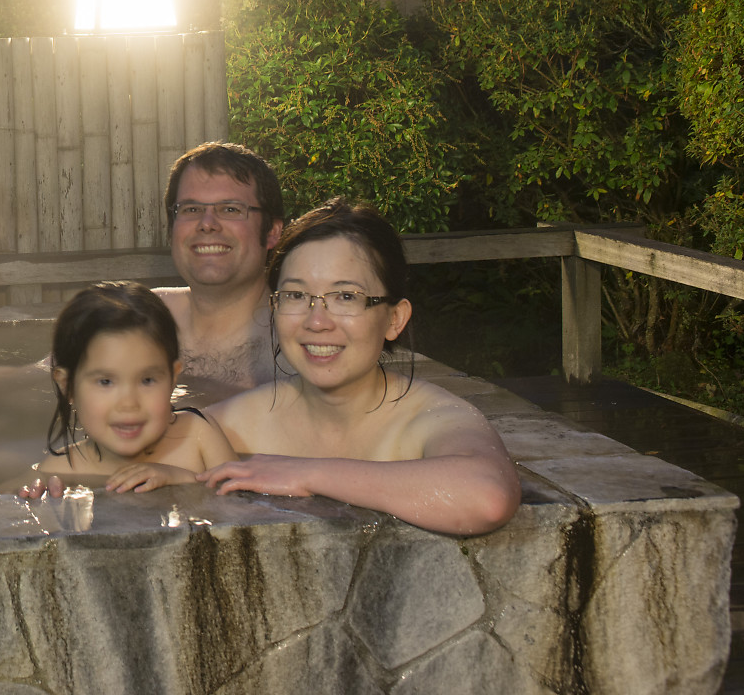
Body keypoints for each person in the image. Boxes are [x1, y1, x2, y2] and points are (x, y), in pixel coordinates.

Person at [198, 199, 522, 537]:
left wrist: (306, 473)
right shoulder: (233, 422)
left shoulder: (434, 418)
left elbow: (487, 498)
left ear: (395, 319)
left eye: (346, 297)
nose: (317, 321)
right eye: (295, 295)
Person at [0, 281, 234, 501]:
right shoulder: (60, 469)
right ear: (67, 387)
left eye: (147, 380)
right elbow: (3, 502)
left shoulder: (199, 435)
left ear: (172, 379)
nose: (128, 403)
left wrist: (180, 478)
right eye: (105, 382)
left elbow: (244, 505)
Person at [154, 142, 288, 399]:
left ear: (272, 232)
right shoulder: (139, 318)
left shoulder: (300, 342)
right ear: (171, 229)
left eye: (230, 209)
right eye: (191, 209)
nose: (207, 224)